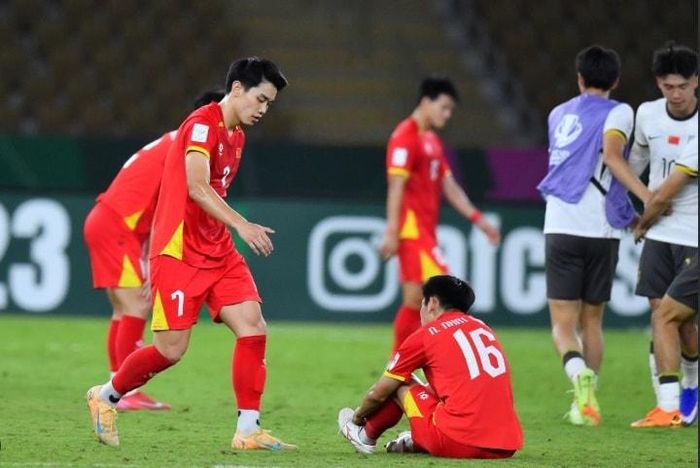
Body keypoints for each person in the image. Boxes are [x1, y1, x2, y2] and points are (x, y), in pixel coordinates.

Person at [86, 57, 296, 450]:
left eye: (269, 104)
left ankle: (248, 430)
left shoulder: (237, 137)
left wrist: (228, 232)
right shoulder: (201, 124)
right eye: (260, 99)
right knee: (171, 350)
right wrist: (242, 224)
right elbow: (197, 187)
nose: (263, 110)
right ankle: (106, 396)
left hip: (218, 251)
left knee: (253, 326)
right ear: (237, 89)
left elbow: (211, 194)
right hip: (179, 252)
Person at [83, 89, 224, 411]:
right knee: (137, 304)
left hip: (110, 220)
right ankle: (125, 392)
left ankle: (116, 386)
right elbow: (168, 208)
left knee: (124, 309)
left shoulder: (172, 141)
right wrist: (154, 260)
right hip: (120, 226)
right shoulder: (185, 147)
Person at [537, 45, 652, 426]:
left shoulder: (557, 114)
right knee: (592, 322)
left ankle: (578, 380)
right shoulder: (620, 112)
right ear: (616, 80)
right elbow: (613, 158)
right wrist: (644, 202)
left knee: (562, 325)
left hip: (560, 224)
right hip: (601, 230)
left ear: (579, 78)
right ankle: (587, 400)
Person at [337, 275, 523, 459]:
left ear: (432, 303)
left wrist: (357, 417)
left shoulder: (427, 335)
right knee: (436, 392)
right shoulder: (483, 327)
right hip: (505, 446)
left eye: (422, 302)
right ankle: (418, 440)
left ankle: (364, 435)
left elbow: (378, 394)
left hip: (457, 442)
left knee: (400, 381)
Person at [378, 77, 500, 355]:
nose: (447, 115)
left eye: (450, 110)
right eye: (443, 107)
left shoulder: (431, 140)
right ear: (426, 101)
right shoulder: (405, 137)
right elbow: (396, 186)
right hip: (412, 232)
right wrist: (392, 231)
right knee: (440, 297)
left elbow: (450, 186)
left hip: (426, 233)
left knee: (417, 300)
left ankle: (400, 365)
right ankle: (405, 364)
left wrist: (478, 219)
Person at [628, 42, 698, 426]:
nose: (676, 94)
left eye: (683, 86)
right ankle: (668, 403)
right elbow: (636, 162)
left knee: (677, 318)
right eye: (669, 86)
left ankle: (689, 388)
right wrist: (635, 201)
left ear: (696, 82)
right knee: (661, 313)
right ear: (658, 84)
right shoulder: (648, 115)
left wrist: (643, 219)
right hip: (659, 234)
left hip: (692, 234)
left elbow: (668, 190)